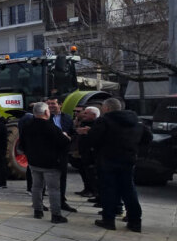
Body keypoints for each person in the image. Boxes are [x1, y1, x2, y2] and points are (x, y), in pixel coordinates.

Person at [86, 98, 152, 232]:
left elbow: (93, 139)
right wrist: (135, 149)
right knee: (129, 190)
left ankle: (108, 219)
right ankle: (135, 221)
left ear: (107, 108)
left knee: (108, 190)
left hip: (107, 160)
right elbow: (148, 138)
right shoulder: (136, 121)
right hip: (128, 159)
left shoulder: (105, 121)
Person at [20, 102, 71, 223]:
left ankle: (38, 211)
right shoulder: (50, 127)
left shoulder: (27, 126)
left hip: (33, 162)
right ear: (46, 112)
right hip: (50, 164)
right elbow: (64, 143)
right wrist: (66, 137)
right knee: (53, 189)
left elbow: (22, 144)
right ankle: (56, 215)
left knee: (36, 187)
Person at [46, 96, 78, 213]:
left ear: (60, 104)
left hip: (62, 152)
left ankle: (61, 201)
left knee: (62, 177)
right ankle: (41, 203)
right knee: (45, 178)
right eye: (48, 104)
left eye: (53, 104)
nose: (50, 106)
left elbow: (73, 132)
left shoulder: (67, 118)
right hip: (48, 152)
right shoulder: (44, 118)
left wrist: (69, 137)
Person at [74, 106, 100, 200]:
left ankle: (94, 192)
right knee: (84, 172)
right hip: (82, 151)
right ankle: (87, 188)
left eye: (86, 113)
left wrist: (88, 132)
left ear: (93, 115)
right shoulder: (83, 122)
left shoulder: (97, 124)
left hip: (91, 153)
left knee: (92, 174)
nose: (83, 115)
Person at [17, 112, 35, 193]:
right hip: (33, 147)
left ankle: (30, 187)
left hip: (28, 147)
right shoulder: (29, 119)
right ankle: (31, 187)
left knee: (30, 167)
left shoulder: (24, 119)